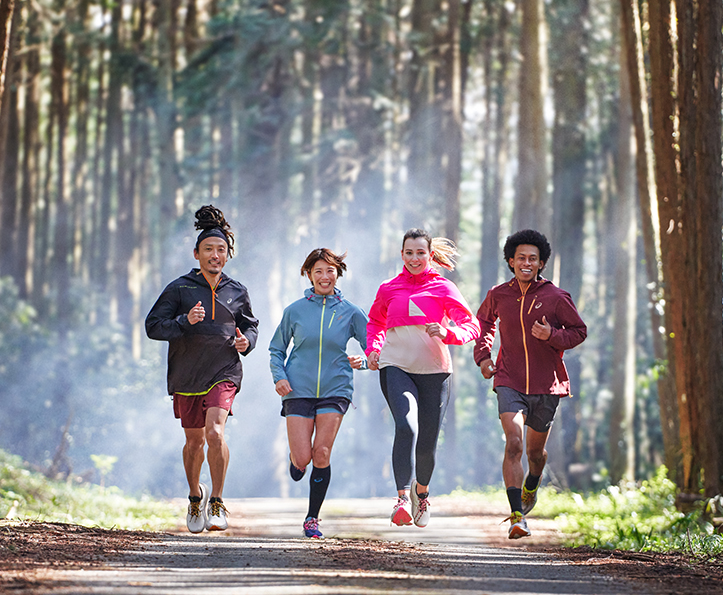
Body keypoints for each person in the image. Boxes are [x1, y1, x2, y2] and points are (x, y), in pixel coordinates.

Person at [146, 205, 259, 534]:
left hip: (224, 371)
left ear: (228, 254)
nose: (215, 255)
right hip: (186, 374)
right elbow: (153, 326)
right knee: (194, 442)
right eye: (208, 249)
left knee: (215, 433)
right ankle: (195, 495)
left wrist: (246, 343)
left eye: (220, 250)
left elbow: (250, 327)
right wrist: (184, 320)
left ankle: (218, 501)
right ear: (197, 253)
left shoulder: (237, 291)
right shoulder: (179, 289)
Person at [474, 229, 587, 539]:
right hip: (508, 379)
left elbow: (579, 331)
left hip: (546, 385)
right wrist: (484, 358)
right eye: (521, 258)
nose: (526, 263)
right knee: (513, 443)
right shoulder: (499, 294)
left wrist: (551, 335)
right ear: (511, 261)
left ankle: (533, 483)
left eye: (533, 259)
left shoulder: (555, 297)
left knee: (535, 454)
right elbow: (483, 323)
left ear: (541, 264)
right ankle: (516, 517)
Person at [367, 228, 480, 528]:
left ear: (430, 255)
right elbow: (376, 322)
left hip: (435, 371)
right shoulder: (389, 288)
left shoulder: (444, 288)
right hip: (396, 366)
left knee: (427, 443)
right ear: (401, 254)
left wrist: (449, 333)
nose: (415, 258)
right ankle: (402, 499)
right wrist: (374, 349)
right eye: (409, 252)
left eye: (420, 253)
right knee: (406, 426)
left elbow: (472, 326)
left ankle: (422, 493)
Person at [269, 248, 368, 539]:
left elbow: (373, 347)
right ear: (308, 274)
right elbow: (276, 349)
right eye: (318, 271)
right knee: (303, 459)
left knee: (322, 452)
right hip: (297, 388)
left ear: (338, 273)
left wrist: (362, 362)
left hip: (335, 388)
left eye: (330, 271)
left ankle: (312, 518)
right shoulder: (295, 311)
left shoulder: (350, 311)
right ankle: (295, 459)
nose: (324, 277)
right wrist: (280, 378)